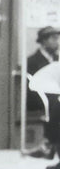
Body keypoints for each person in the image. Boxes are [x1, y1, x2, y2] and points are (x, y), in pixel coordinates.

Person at [26, 26, 60, 159]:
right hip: (39, 96)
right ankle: (49, 144)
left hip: (54, 96)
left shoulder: (57, 59)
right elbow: (35, 85)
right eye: (54, 39)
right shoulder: (33, 60)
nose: (57, 42)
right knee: (56, 104)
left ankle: (48, 144)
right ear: (43, 41)